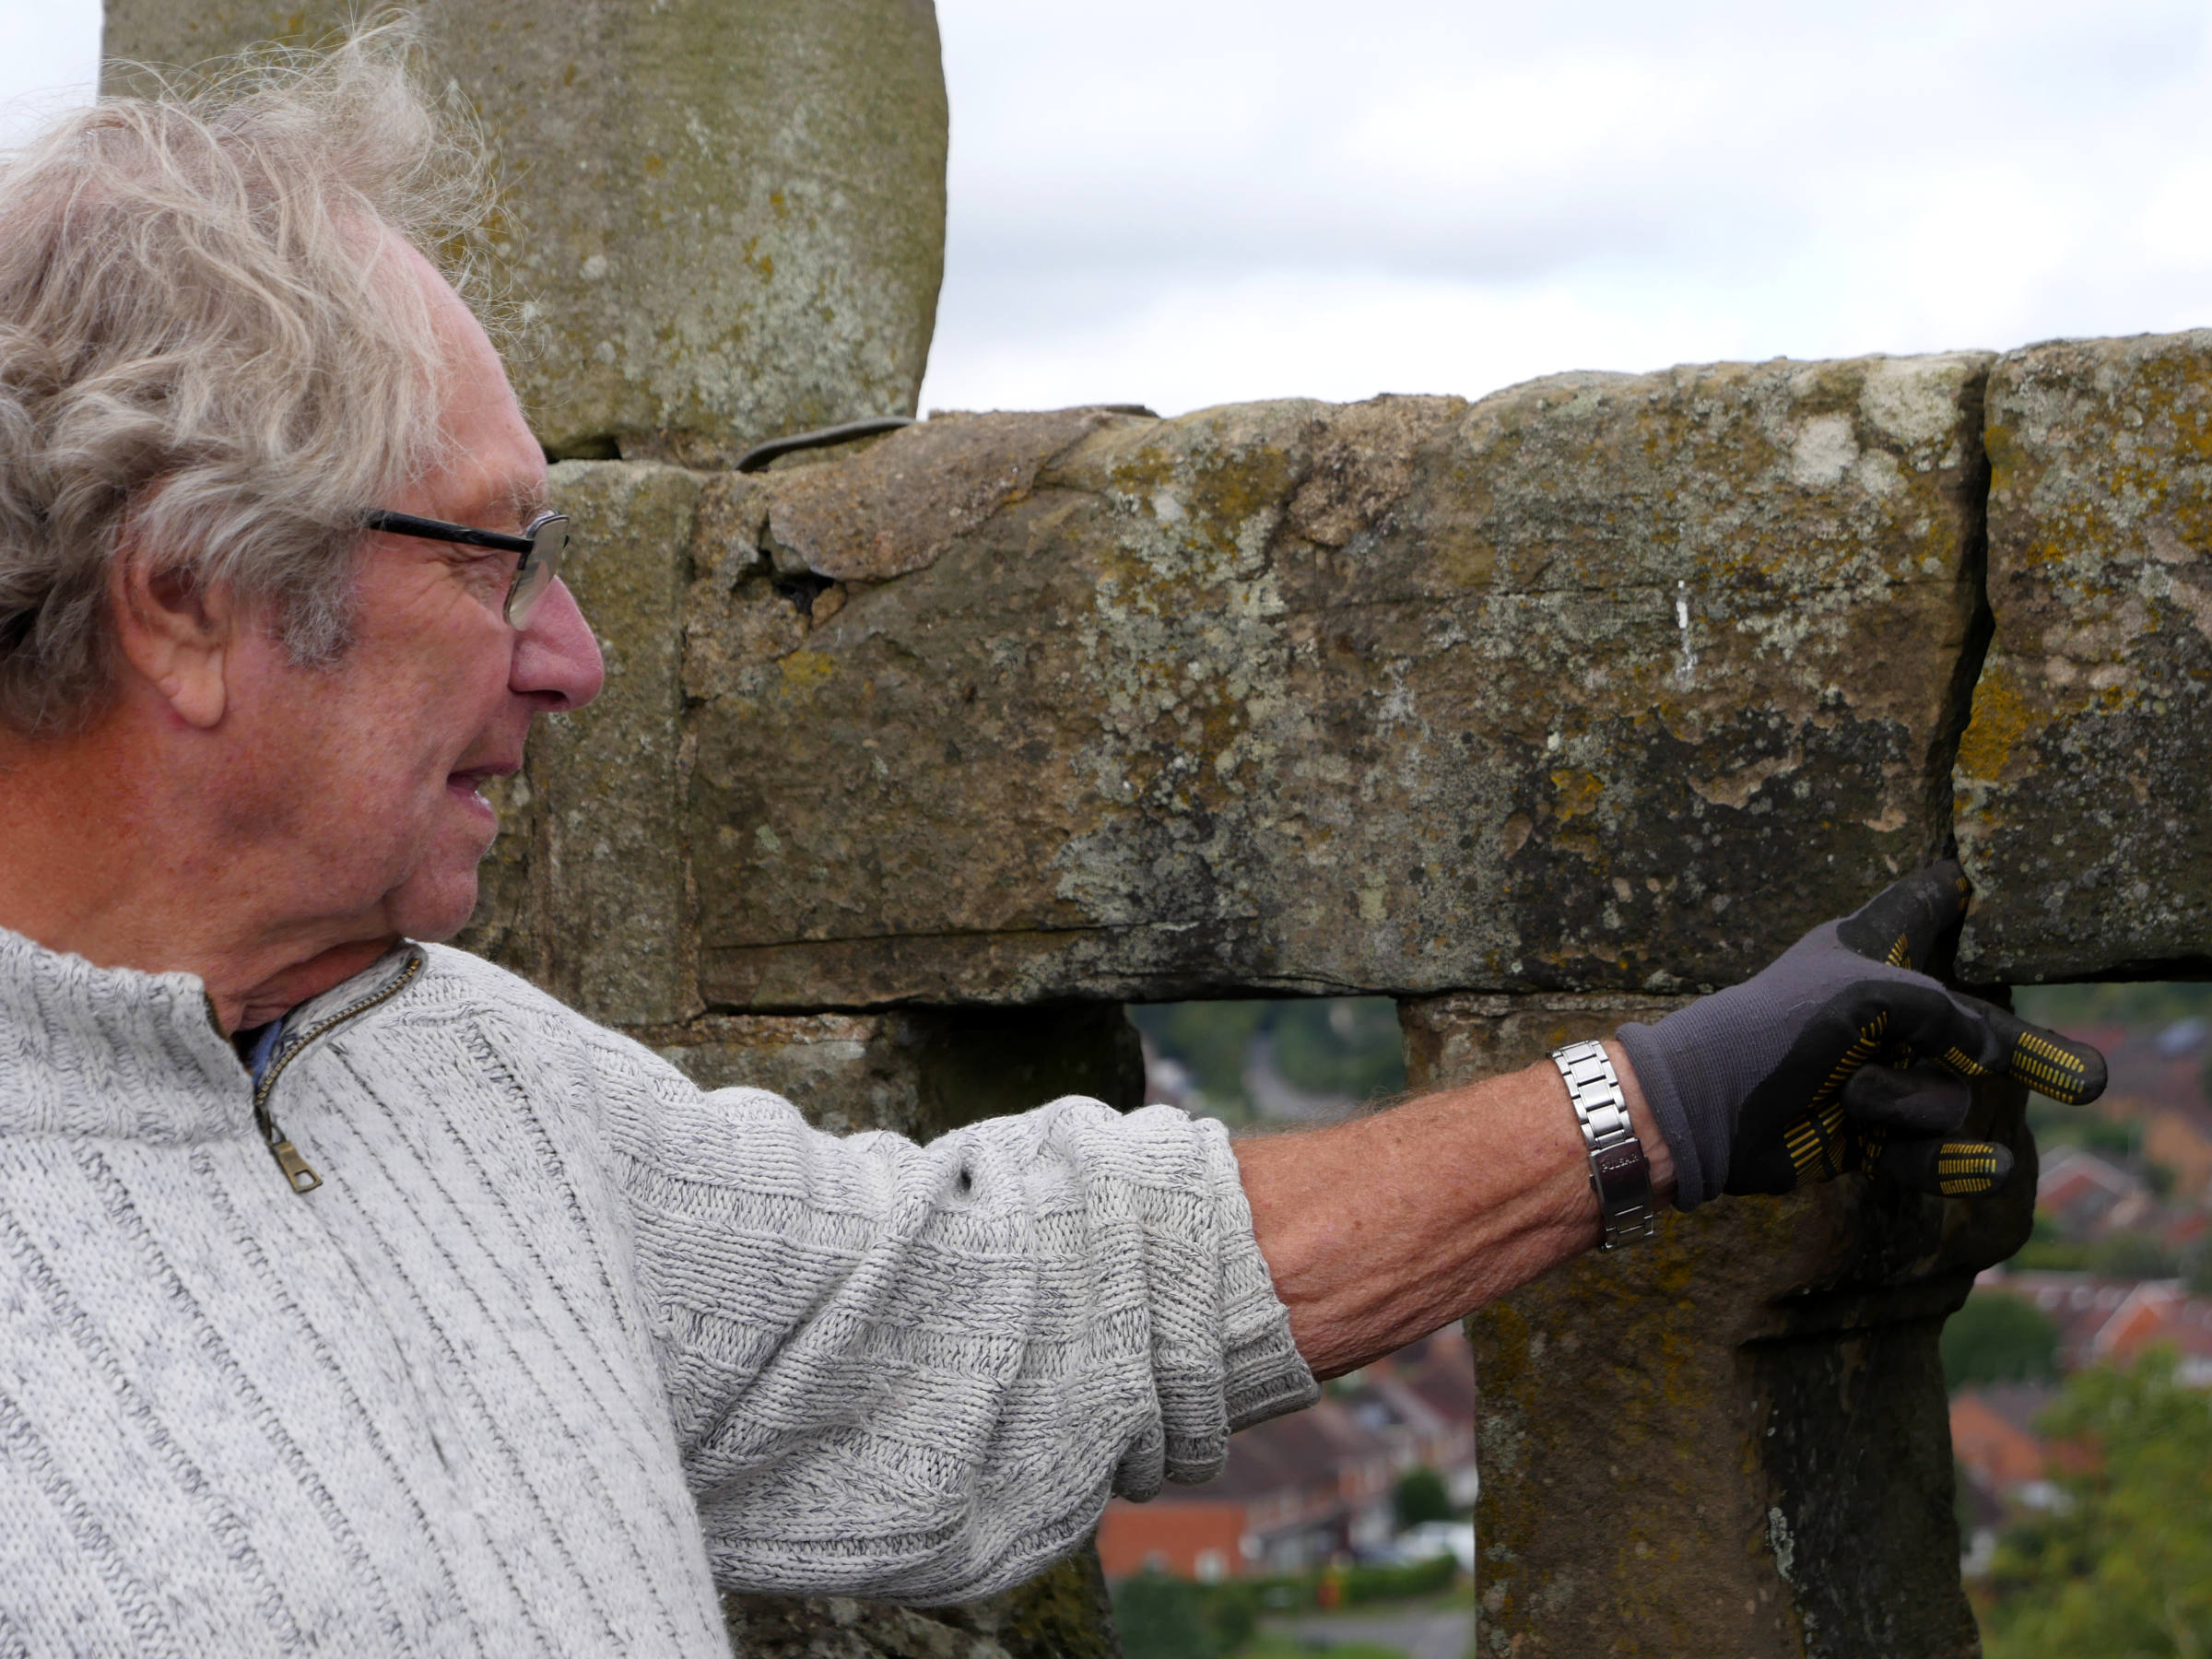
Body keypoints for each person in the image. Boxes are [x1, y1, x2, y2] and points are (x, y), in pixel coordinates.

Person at [0, 31, 2104, 1658]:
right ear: (187, 596)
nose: (580, 658)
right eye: (500, 557)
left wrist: (1650, 1099)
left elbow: (1005, 1301)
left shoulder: (448, 1072)